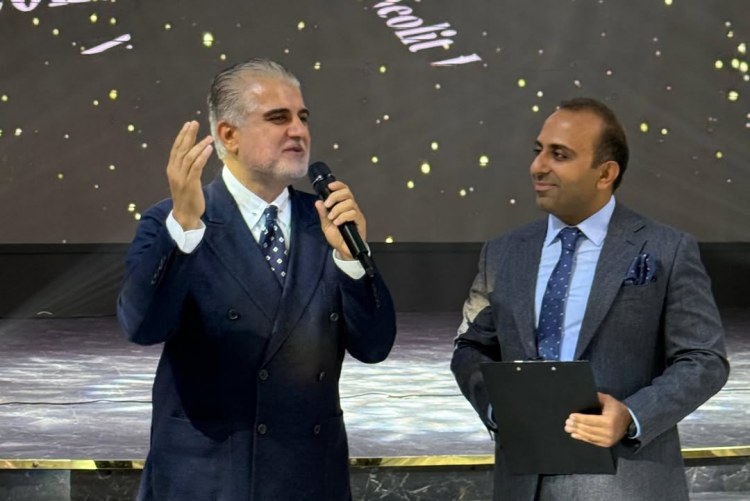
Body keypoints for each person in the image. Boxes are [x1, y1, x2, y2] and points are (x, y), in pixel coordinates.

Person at [117, 58, 397, 501]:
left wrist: (352, 260)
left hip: (308, 475)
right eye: (278, 118)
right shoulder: (175, 222)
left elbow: (374, 347)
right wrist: (184, 228)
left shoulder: (326, 223)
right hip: (208, 478)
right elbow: (143, 326)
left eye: (303, 117)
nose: (298, 131)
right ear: (229, 135)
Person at [451, 97, 729, 500]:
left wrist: (632, 415)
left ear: (606, 173)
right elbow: (471, 347)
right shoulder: (503, 252)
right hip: (522, 483)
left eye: (559, 154)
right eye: (538, 150)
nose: (538, 166)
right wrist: (499, 408)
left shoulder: (666, 249)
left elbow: (704, 360)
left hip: (625, 482)